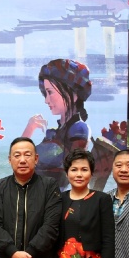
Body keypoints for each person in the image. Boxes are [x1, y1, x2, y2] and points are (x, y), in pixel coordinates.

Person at [22, 59, 94, 189]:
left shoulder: (79, 129)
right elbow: (19, 160)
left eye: (50, 92)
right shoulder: (55, 133)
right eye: (45, 93)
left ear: (73, 94)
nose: (46, 100)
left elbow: (74, 173)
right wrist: (29, 129)